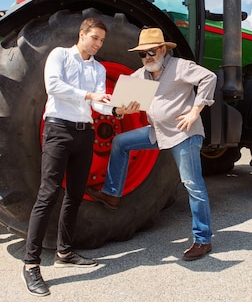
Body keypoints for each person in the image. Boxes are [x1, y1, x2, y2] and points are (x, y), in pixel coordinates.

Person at [22, 17, 135, 297]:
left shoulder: (97, 67)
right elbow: (54, 87)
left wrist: (118, 110)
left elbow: (97, 104)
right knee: (47, 194)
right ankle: (31, 264)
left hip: (85, 132)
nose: (98, 44)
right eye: (94, 38)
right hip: (59, 129)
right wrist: (90, 94)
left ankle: (64, 252)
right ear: (81, 34)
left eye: (101, 41)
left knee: (75, 195)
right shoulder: (59, 55)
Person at [87, 27, 217, 261]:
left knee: (192, 186)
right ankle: (112, 193)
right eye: (142, 54)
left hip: (182, 133)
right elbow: (120, 104)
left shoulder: (179, 67)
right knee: (120, 142)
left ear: (162, 50)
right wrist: (119, 110)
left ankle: (203, 239)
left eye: (151, 52)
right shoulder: (141, 76)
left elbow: (209, 77)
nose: (147, 57)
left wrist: (195, 111)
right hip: (157, 133)